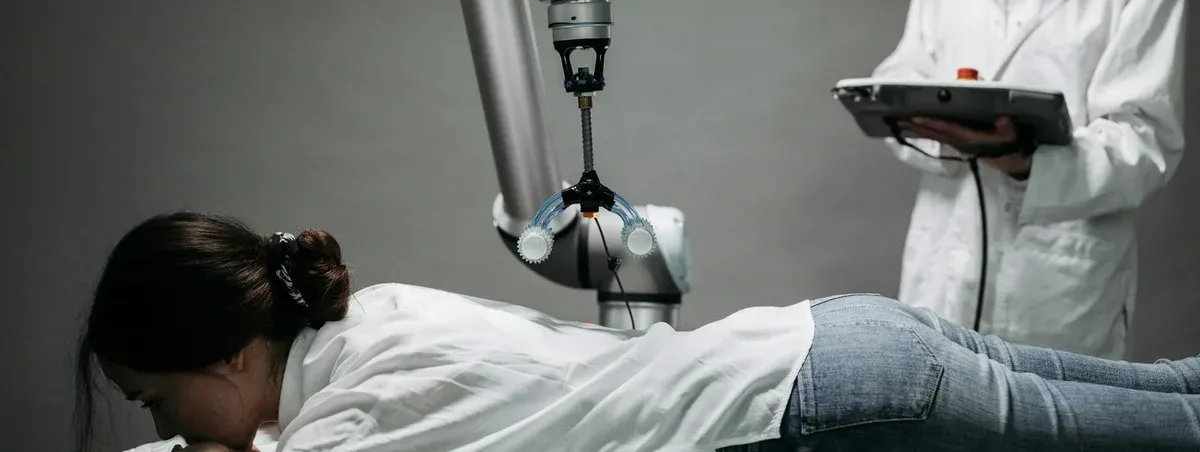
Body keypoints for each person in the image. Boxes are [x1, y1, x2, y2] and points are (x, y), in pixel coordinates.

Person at [76, 212, 1200, 452]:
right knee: (1175, 390)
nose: (177, 432)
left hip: (832, 410)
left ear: (226, 355)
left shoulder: (347, 431)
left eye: (157, 401)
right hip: (845, 337)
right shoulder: (367, 316)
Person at [871, 0, 1187, 359]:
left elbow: (1146, 141)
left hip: (1058, 285)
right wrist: (925, 123)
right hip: (944, 267)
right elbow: (907, 72)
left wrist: (1024, 163)